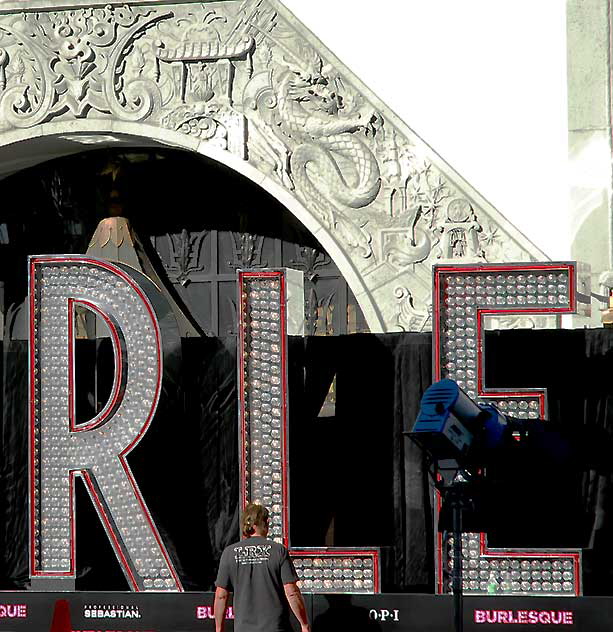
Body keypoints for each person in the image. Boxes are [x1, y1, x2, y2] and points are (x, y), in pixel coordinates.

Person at [214, 503, 311, 632]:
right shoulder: (278, 551)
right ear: (266, 523)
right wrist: (304, 624)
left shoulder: (229, 553)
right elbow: (292, 592)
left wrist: (219, 628)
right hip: (275, 627)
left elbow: (221, 595)